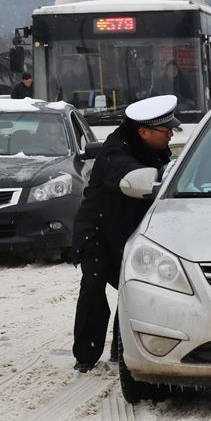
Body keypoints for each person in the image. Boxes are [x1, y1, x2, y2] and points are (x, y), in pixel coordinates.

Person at [70, 95, 179, 373]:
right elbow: (130, 174)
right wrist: (162, 174)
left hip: (128, 234)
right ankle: (86, 356)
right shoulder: (115, 150)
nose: (170, 135)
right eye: (166, 131)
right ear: (144, 132)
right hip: (96, 232)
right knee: (93, 288)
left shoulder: (153, 148)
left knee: (132, 289)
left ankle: (121, 351)